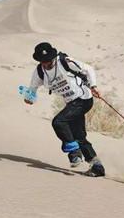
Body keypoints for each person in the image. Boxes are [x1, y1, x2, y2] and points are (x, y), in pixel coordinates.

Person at [24, 42, 105, 177]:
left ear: (53, 56)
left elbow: (88, 69)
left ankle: (74, 153)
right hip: (71, 104)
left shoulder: (65, 61)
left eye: (48, 60)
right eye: (43, 61)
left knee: (59, 122)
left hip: (83, 99)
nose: (46, 63)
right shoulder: (39, 72)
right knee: (79, 136)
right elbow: (32, 88)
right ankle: (97, 166)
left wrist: (94, 86)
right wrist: (29, 98)